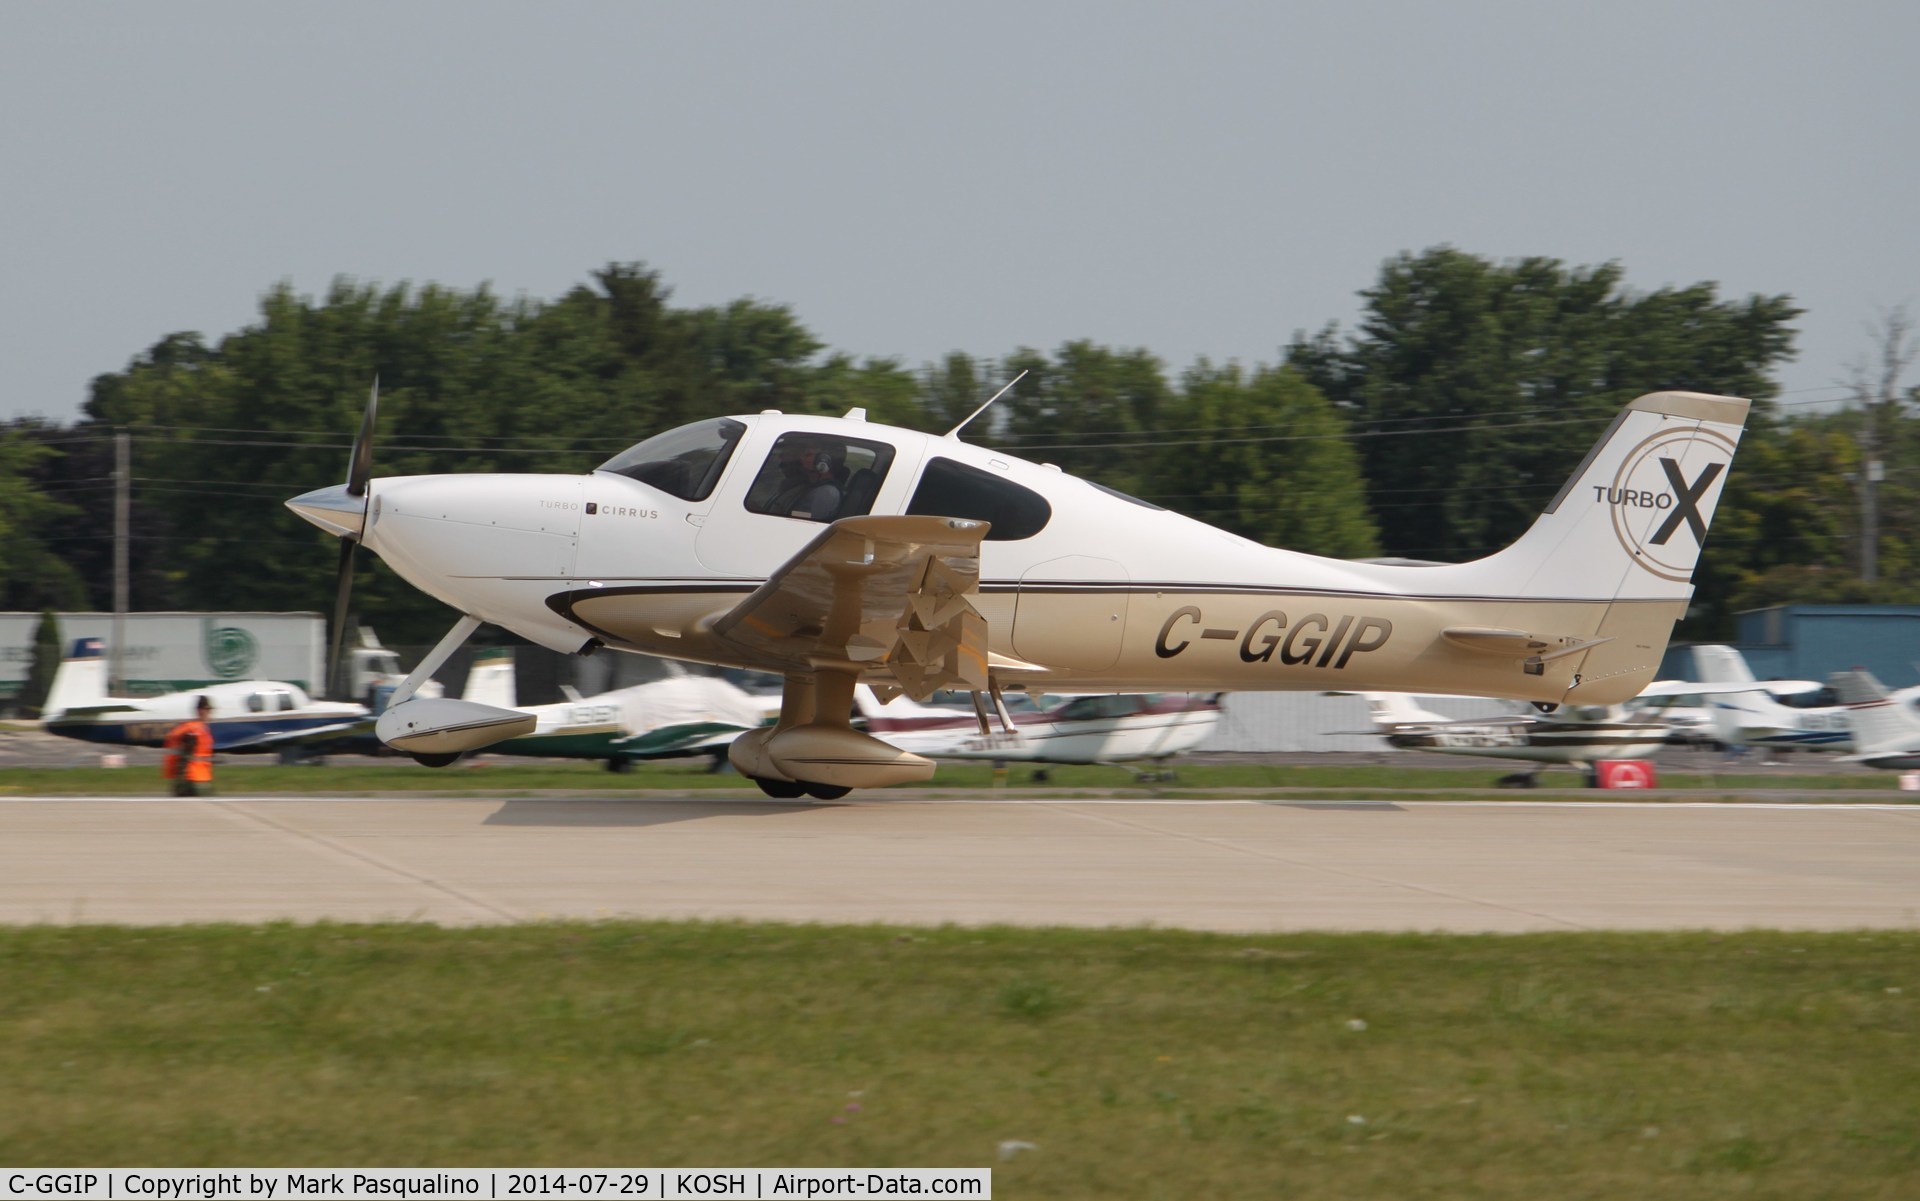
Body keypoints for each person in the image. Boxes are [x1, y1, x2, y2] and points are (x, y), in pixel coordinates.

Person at [770, 438, 844, 522]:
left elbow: (802, 522)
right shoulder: (808, 486)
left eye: (808, 455)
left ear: (824, 461)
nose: (801, 458)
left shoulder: (826, 493)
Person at [163, 696, 216, 797]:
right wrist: (181, 757)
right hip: (191, 778)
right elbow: (172, 737)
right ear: (200, 711)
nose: (209, 713)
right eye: (207, 710)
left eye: (209, 710)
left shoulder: (204, 728)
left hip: (202, 777)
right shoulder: (191, 727)